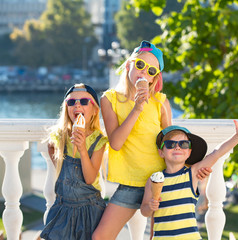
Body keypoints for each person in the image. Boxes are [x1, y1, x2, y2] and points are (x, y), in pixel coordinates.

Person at [92, 40, 211, 240]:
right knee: (100, 237)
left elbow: (174, 144)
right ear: (129, 65)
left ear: (155, 78)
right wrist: (137, 107)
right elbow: (116, 143)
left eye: (151, 71)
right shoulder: (109, 99)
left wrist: (194, 168)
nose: (144, 73)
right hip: (130, 182)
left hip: (163, 182)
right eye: (140, 65)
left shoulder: (160, 102)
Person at [140, 114, 238, 239]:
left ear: (189, 152)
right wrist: (150, 206)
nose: (177, 147)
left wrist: (237, 137)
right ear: (161, 152)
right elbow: (144, 210)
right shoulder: (153, 180)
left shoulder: (192, 174)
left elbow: (216, 153)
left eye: (183, 144)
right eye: (170, 144)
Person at [40, 83, 108, 240]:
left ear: (94, 110)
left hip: (90, 208)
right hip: (63, 207)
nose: (77, 105)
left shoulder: (98, 140)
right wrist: (60, 165)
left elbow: (90, 178)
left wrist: (82, 149)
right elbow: (51, 147)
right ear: (66, 108)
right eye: (71, 102)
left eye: (84, 102)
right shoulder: (61, 137)